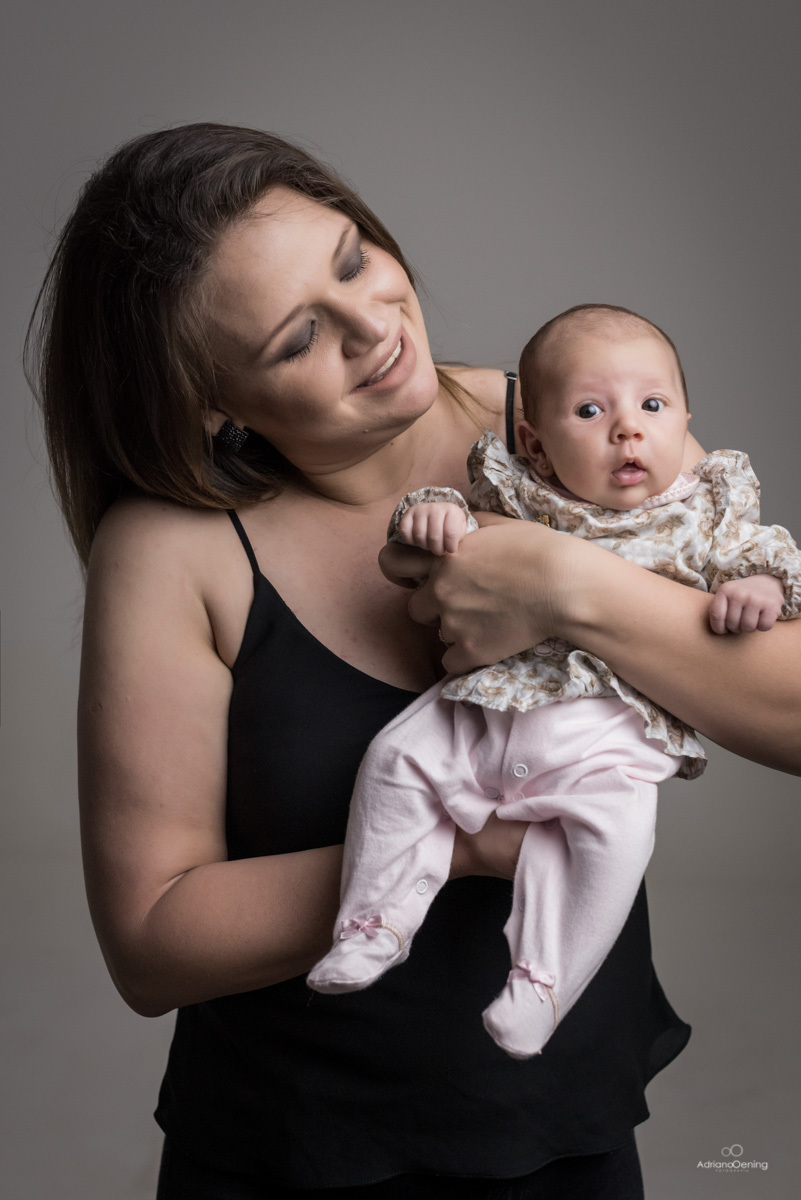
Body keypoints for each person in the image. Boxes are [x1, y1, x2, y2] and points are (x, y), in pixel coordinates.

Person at [25, 124, 801, 1199]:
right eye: (298, 338)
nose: (374, 327)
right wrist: (461, 847)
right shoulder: (173, 552)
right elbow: (154, 941)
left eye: (352, 259)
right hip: (287, 1150)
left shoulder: (565, 418)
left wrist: (564, 586)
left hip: (562, 1129)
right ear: (214, 401)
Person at [307, 304, 801, 1060]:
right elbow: (452, 519)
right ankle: (375, 924)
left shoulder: (706, 503)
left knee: (614, 841)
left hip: (607, 736)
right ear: (535, 445)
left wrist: (760, 586)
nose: (627, 428)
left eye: (652, 406)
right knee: (396, 762)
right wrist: (432, 514)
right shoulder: (517, 488)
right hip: (485, 707)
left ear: (684, 421)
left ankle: (540, 986)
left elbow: (762, 555)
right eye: (590, 410)